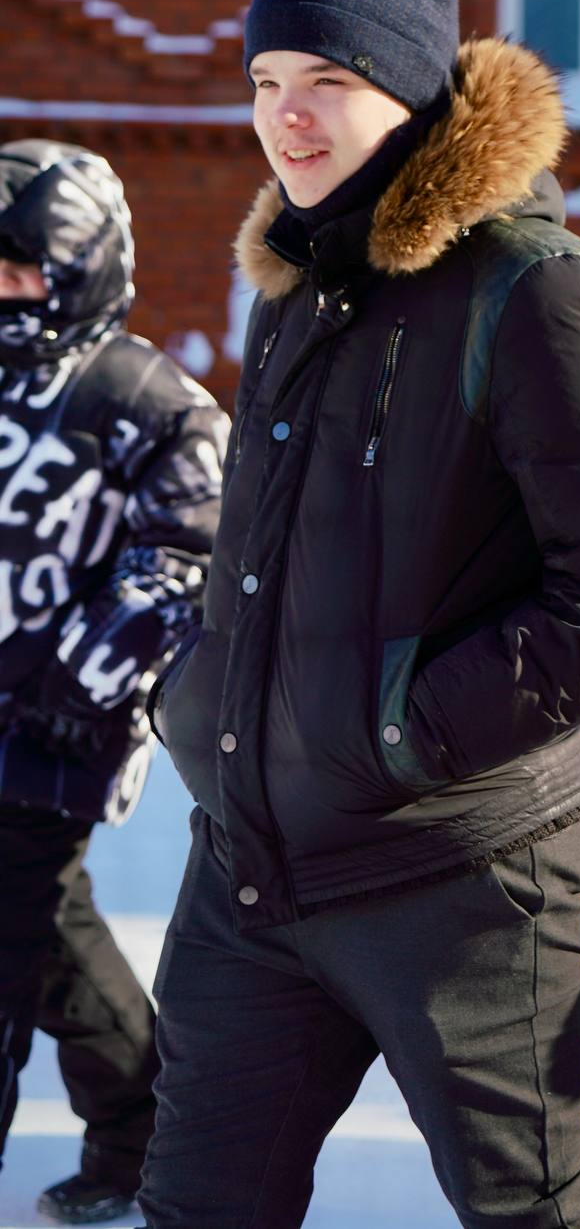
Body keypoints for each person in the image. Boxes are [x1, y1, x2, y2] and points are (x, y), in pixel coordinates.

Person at [142, 0, 580, 1229]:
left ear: (408, 89)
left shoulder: (538, 291)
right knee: (195, 1207)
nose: (287, 113)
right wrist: (200, 691)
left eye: (327, 80)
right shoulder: (293, 285)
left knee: (534, 1210)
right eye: (266, 79)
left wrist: (403, 735)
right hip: (252, 869)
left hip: (460, 874)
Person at [0, 144, 224, 1226]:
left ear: (83, 268)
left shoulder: (147, 398)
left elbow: (186, 554)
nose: (5, 294)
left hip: (53, 733)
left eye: (23, 272)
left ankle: (148, 1137)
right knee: (50, 939)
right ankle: (145, 1131)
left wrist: (79, 678)